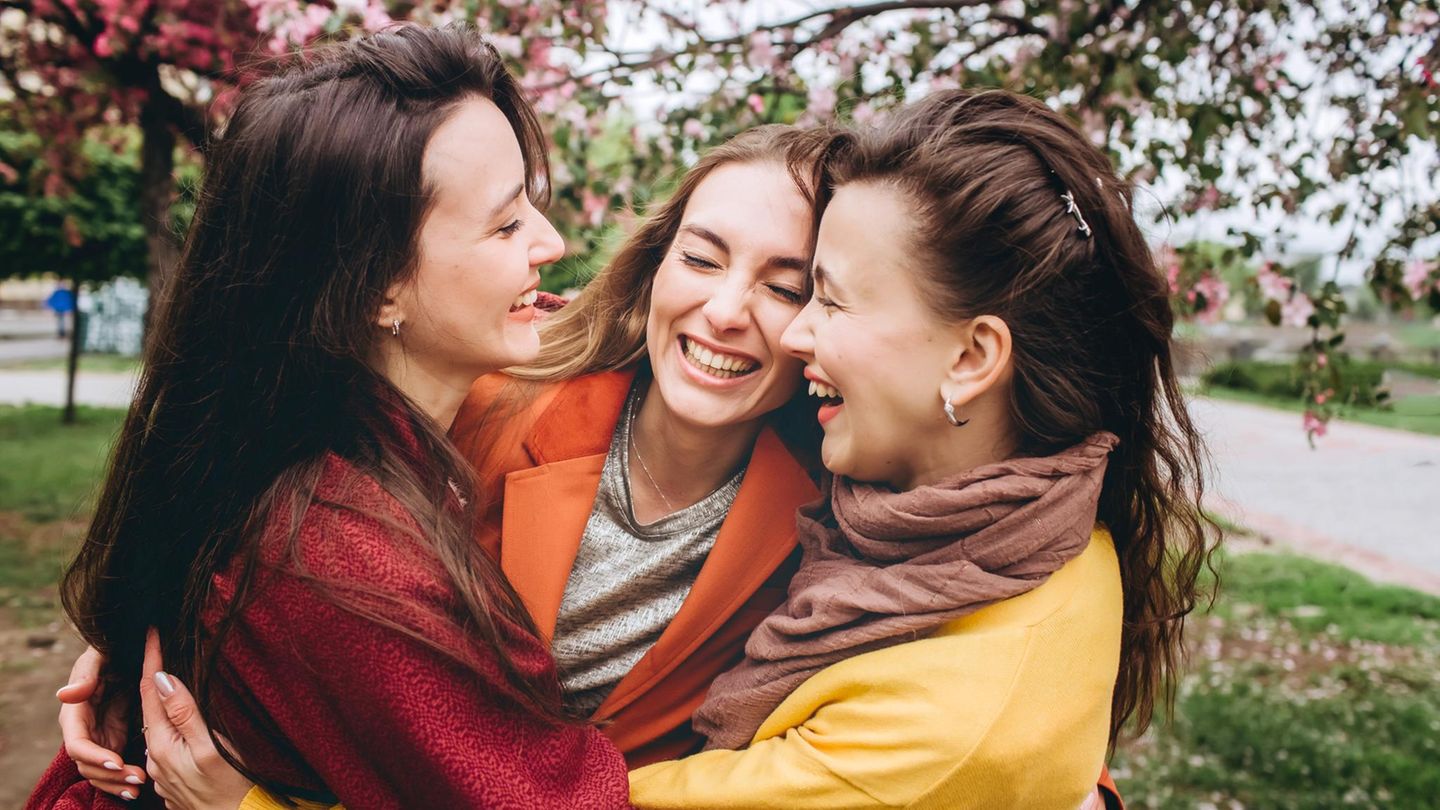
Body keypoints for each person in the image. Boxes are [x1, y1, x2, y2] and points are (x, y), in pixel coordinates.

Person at [26, 24, 632, 809]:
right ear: (376, 286)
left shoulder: (294, 422)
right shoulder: (347, 563)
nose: (549, 243)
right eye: (506, 223)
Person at [624, 88, 1216, 807]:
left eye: (829, 300)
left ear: (970, 359)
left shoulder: (944, 725)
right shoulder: (1034, 517)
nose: (793, 333)